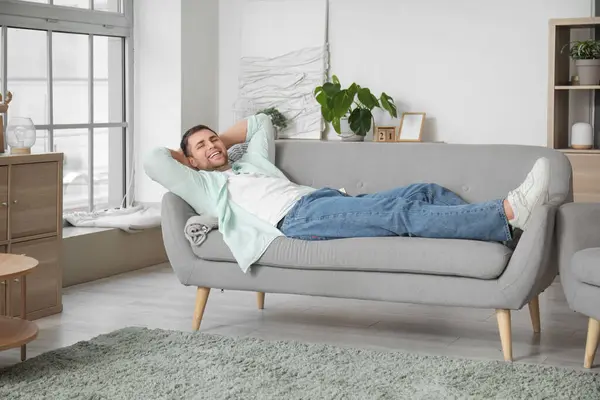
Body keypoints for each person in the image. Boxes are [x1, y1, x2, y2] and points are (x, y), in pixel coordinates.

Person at [144, 114, 550, 273]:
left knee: (422, 190)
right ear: (189, 161)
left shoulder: (250, 163)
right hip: (295, 220)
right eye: (201, 147)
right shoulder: (203, 185)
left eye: (214, 139)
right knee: (399, 213)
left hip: (318, 201)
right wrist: (192, 158)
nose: (213, 145)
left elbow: (261, 122)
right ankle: (506, 212)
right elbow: (153, 160)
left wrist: (216, 143)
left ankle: (500, 227)